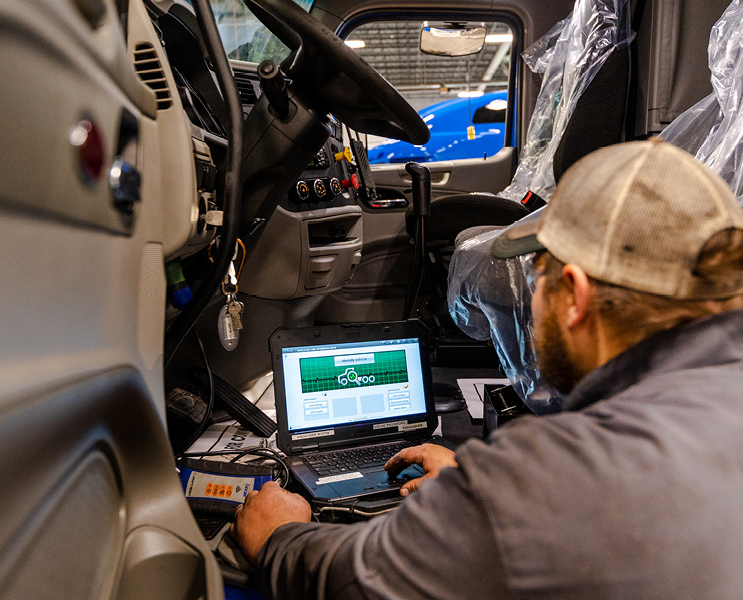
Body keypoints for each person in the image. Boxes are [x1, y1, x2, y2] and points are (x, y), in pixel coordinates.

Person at [233, 139, 743, 599]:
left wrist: (281, 536)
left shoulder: (547, 474)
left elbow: (356, 581)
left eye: (537, 279)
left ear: (576, 297)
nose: (530, 301)